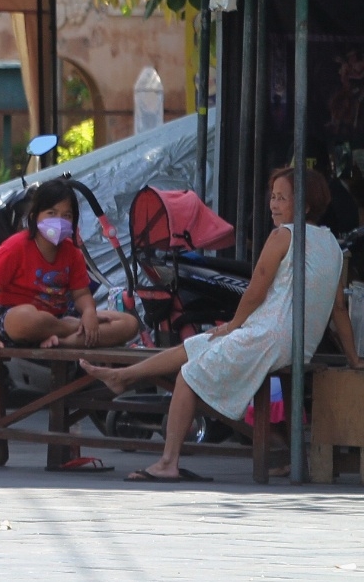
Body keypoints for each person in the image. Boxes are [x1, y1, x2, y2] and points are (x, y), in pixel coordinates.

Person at [84, 168, 362, 482]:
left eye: (282, 198)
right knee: (196, 345)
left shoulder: (284, 235)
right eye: (273, 196)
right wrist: (353, 358)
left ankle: (168, 463)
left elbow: (256, 290)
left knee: (188, 376)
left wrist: (234, 325)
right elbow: (339, 310)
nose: (273, 204)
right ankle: (123, 376)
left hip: (270, 336)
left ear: (306, 205)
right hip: (297, 343)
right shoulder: (333, 246)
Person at [0, 177, 139, 357]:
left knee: (129, 324)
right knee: (24, 319)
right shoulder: (14, 247)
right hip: (18, 319)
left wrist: (89, 312)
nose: (59, 221)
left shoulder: (72, 252)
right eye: (51, 213)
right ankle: (71, 329)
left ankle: (62, 342)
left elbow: (81, 293)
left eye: (66, 216)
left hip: (58, 316)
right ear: (34, 216)